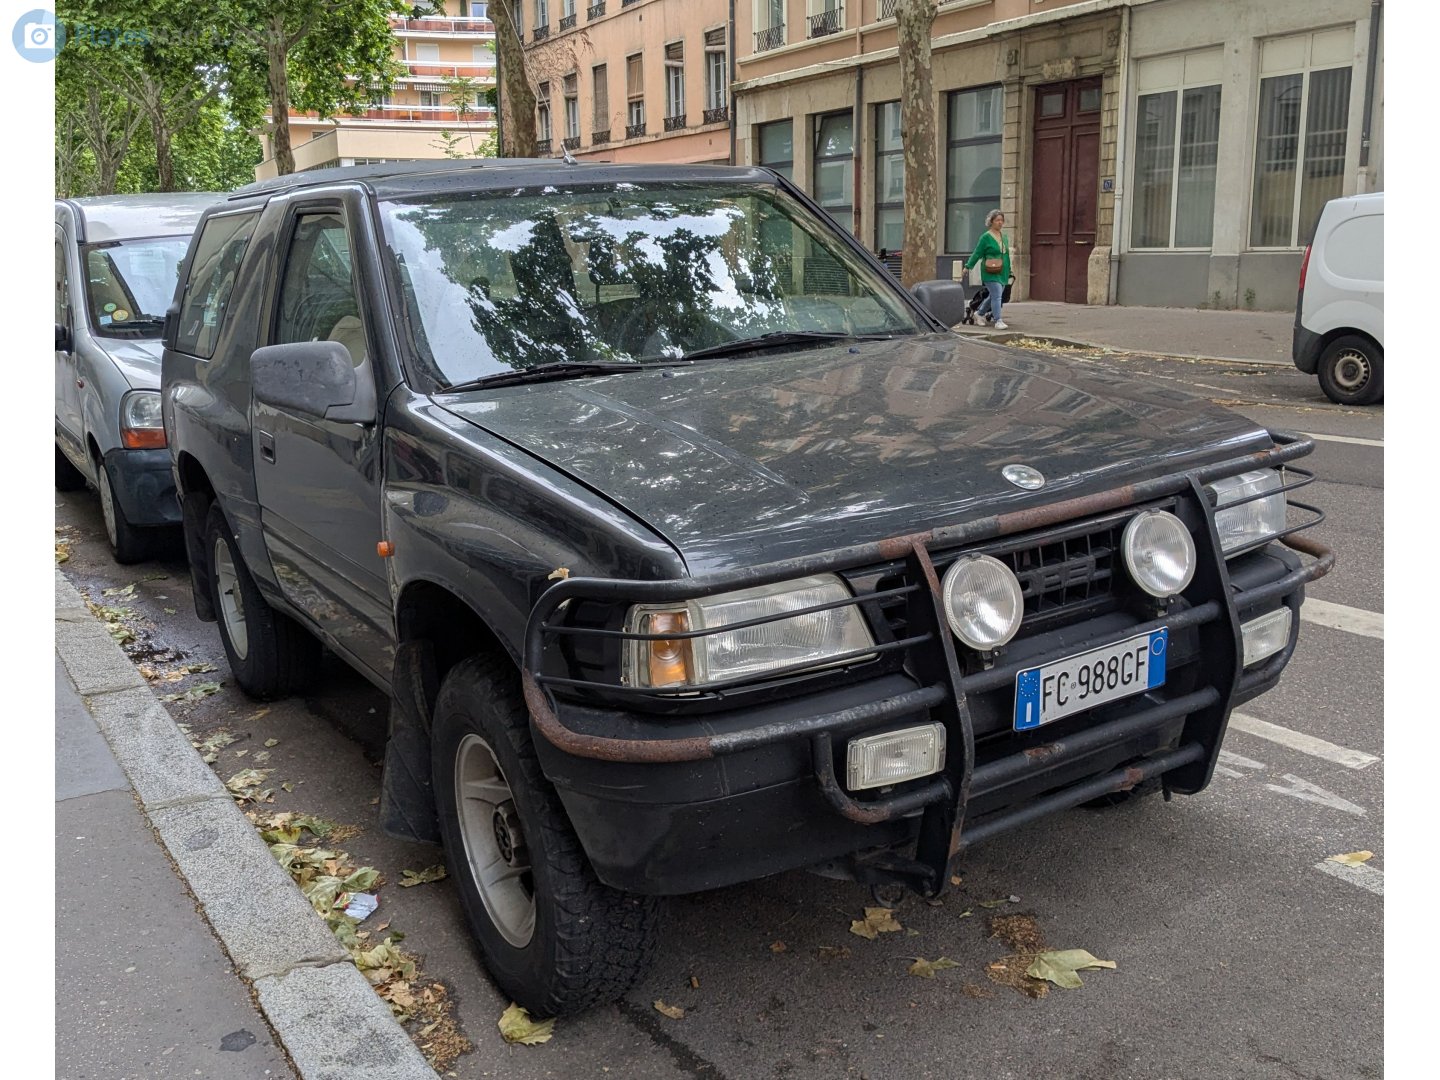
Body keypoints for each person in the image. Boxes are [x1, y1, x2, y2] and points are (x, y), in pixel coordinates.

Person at [963, 209, 1012, 330]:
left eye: (1001, 220)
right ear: (991, 222)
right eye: (997, 220)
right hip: (990, 271)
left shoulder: (1004, 237)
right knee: (997, 296)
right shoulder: (985, 237)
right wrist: (968, 266)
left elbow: (1006, 255)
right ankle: (998, 320)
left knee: (993, 296)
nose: (1000, 223)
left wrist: (1009, 270)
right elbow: (977, 253)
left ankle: (979, 314)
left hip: (1003, 271)